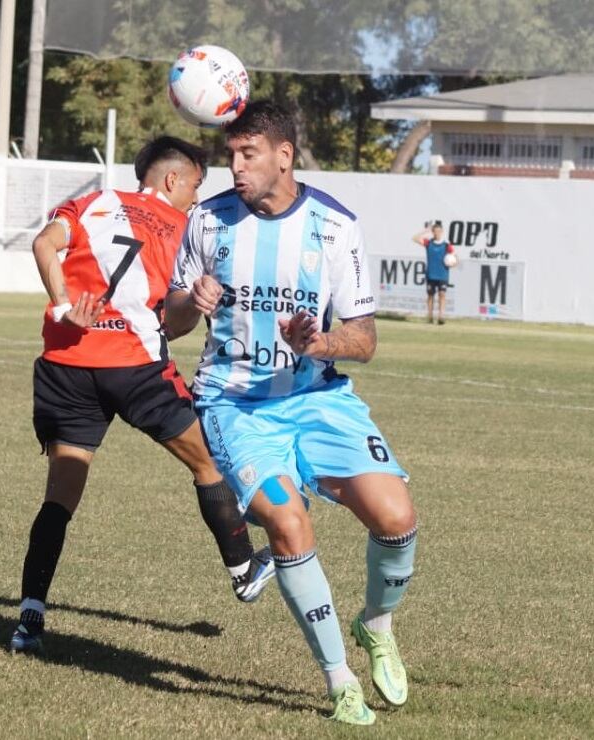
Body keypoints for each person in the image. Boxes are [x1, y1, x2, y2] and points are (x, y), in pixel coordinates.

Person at [166, 101, 418, 726]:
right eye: (230, 155)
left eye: (247, 154)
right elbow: (168, 323)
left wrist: (318, 343)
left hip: (318, 397)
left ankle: (375, 624)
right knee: (288, 525)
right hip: (235, 404)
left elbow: (364, 339)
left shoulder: (336, 227)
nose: (235, 167)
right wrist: (190, 303)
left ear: (284, 156)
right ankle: (340, 683)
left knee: (397, 519)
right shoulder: (206, 221)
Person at [10, 136, 275, 655]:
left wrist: (64, 306)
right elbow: (172, 325)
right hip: (134, 367)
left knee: (60, 498)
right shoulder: (184, 228)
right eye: (196, 186)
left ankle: (29, 620)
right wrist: (196, 306)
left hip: (67, 363)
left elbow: (43, 244)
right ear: (172, 180)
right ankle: (243, 568)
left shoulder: (94, 202)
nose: (197, 199)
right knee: (209, 462)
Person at [412, 220, 454, 324]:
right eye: (435, 231)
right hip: (431, 274)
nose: (437, 233)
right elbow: (414, 238)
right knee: (430, 295)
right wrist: (426, 230)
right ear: (433, 232)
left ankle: (441, 316)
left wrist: (453, 263)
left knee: (442, 294)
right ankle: (430, 316)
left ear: (442, 232)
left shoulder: (446, 245)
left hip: (443, 274)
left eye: (439, 231)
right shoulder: (429, 243)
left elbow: (454, 257)